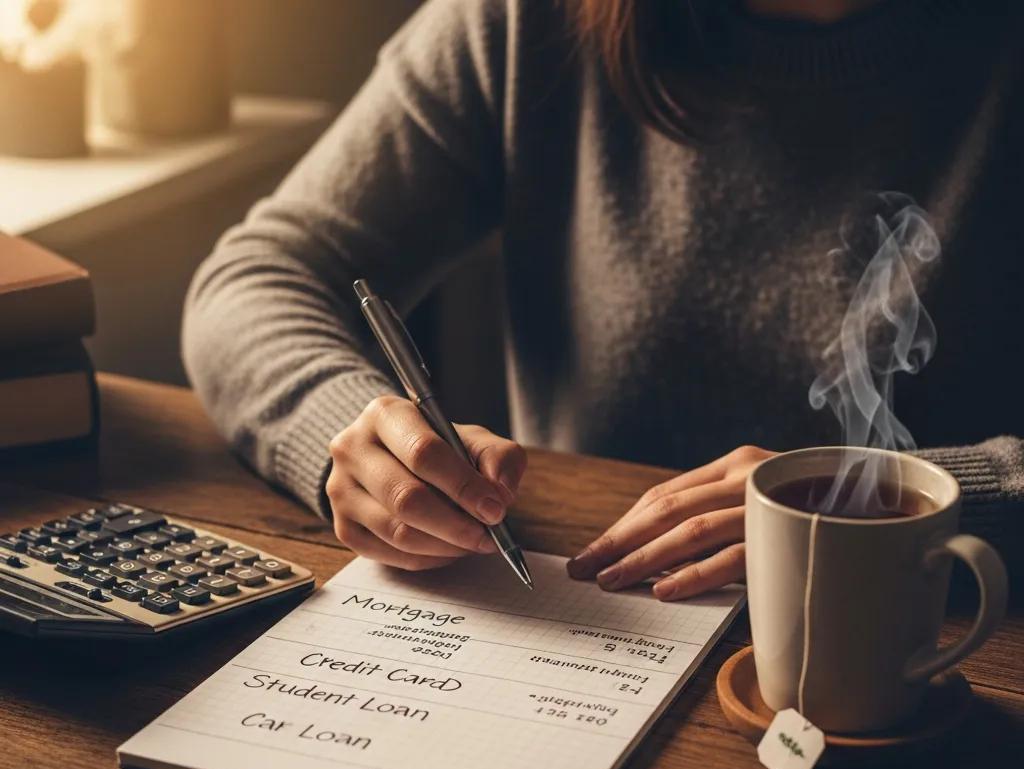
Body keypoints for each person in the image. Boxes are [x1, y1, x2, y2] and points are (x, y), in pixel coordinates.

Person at [183, 0, 1024, 599]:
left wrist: (906, 501)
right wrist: (354, 432)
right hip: (592, 624)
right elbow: (257, 278)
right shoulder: (528, 20)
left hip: (941, 668)